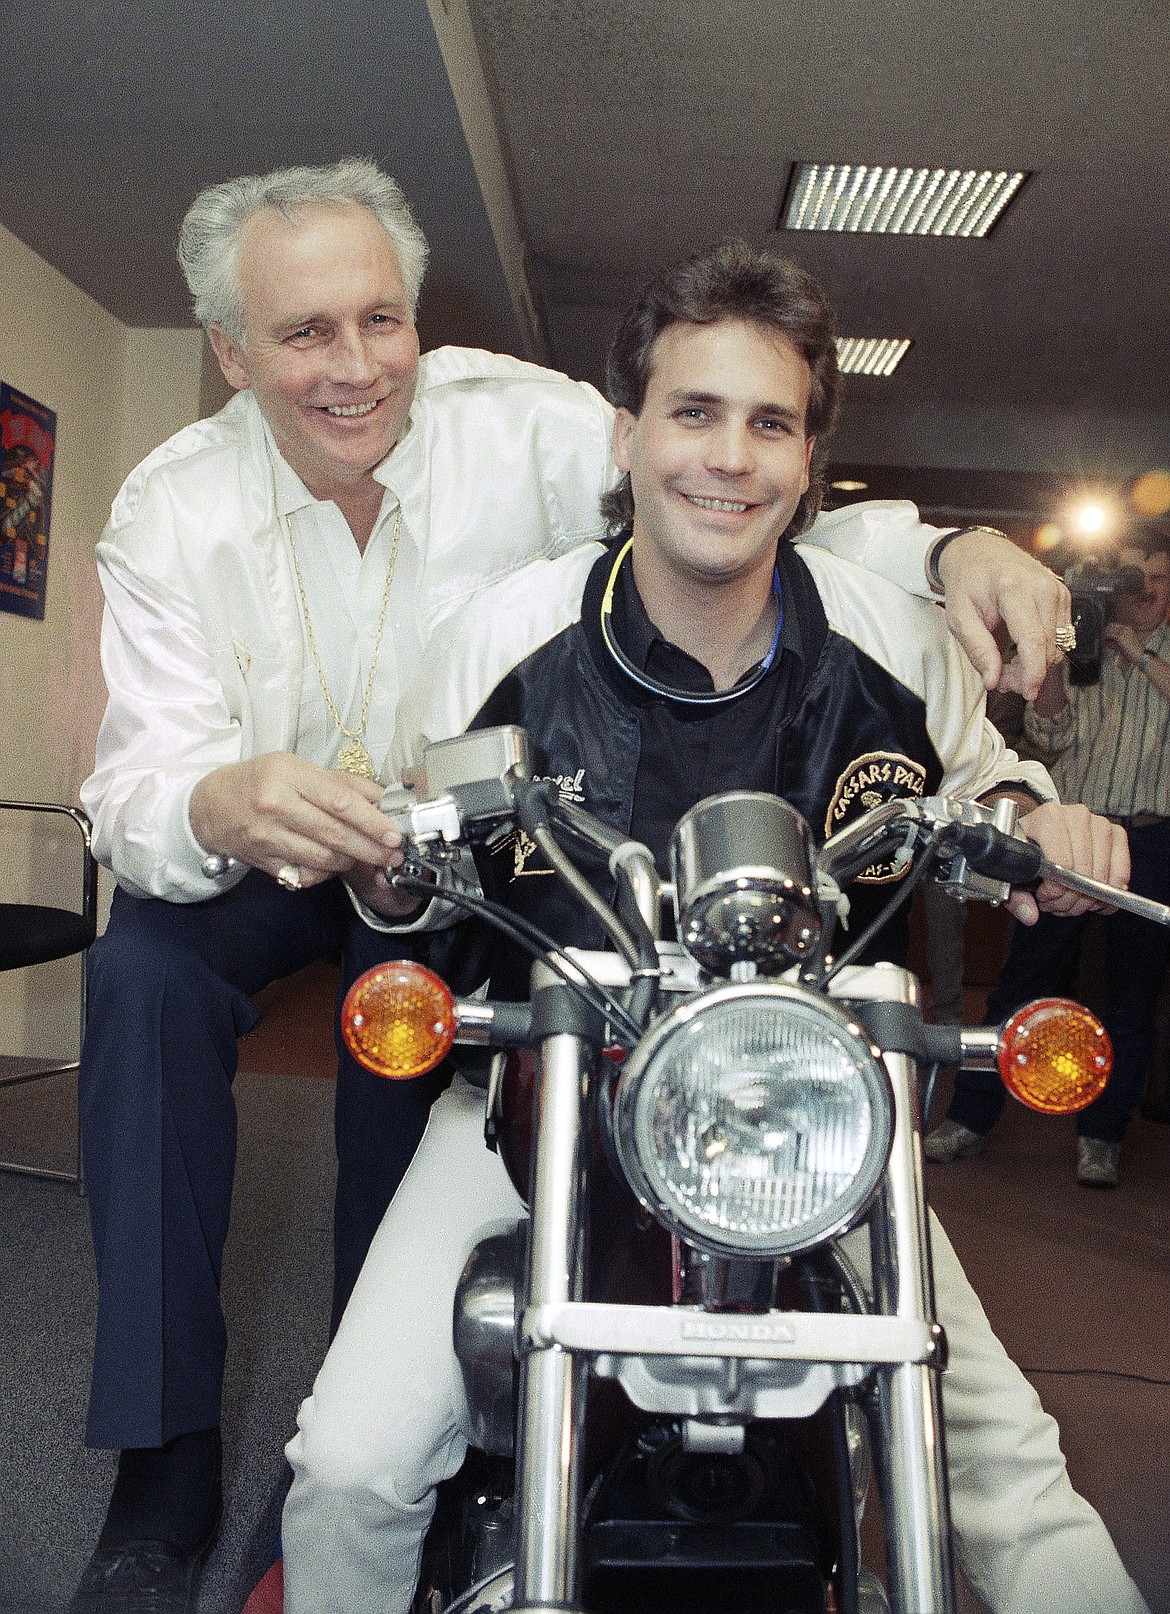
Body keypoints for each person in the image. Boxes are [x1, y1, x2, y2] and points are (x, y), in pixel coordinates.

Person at [72, 156, 1079, 1613]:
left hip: (454, 864)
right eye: (304, 335)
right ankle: (165, 1464)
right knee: (146, 973)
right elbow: (133, 793)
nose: (357, 368)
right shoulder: (169, 509)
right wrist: (220, 799)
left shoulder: (520, 419)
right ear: (230, 352)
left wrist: (952, 541)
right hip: (269, 836)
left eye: (380, 319)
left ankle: (406, 1393)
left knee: (410, 1042)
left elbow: (732, 495)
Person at [926, 529, 1170, 1188]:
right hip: (1072, 834)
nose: (1143, 594)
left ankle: (1102, 1137)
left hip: (1151, 840)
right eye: (1133, 580)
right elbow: (1049, 732)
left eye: (1158, 581)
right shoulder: (1080, 637)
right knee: (1023, 981)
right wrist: (1058, 660)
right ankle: (970, 1120)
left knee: (1130, 997)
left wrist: (1141, 656)